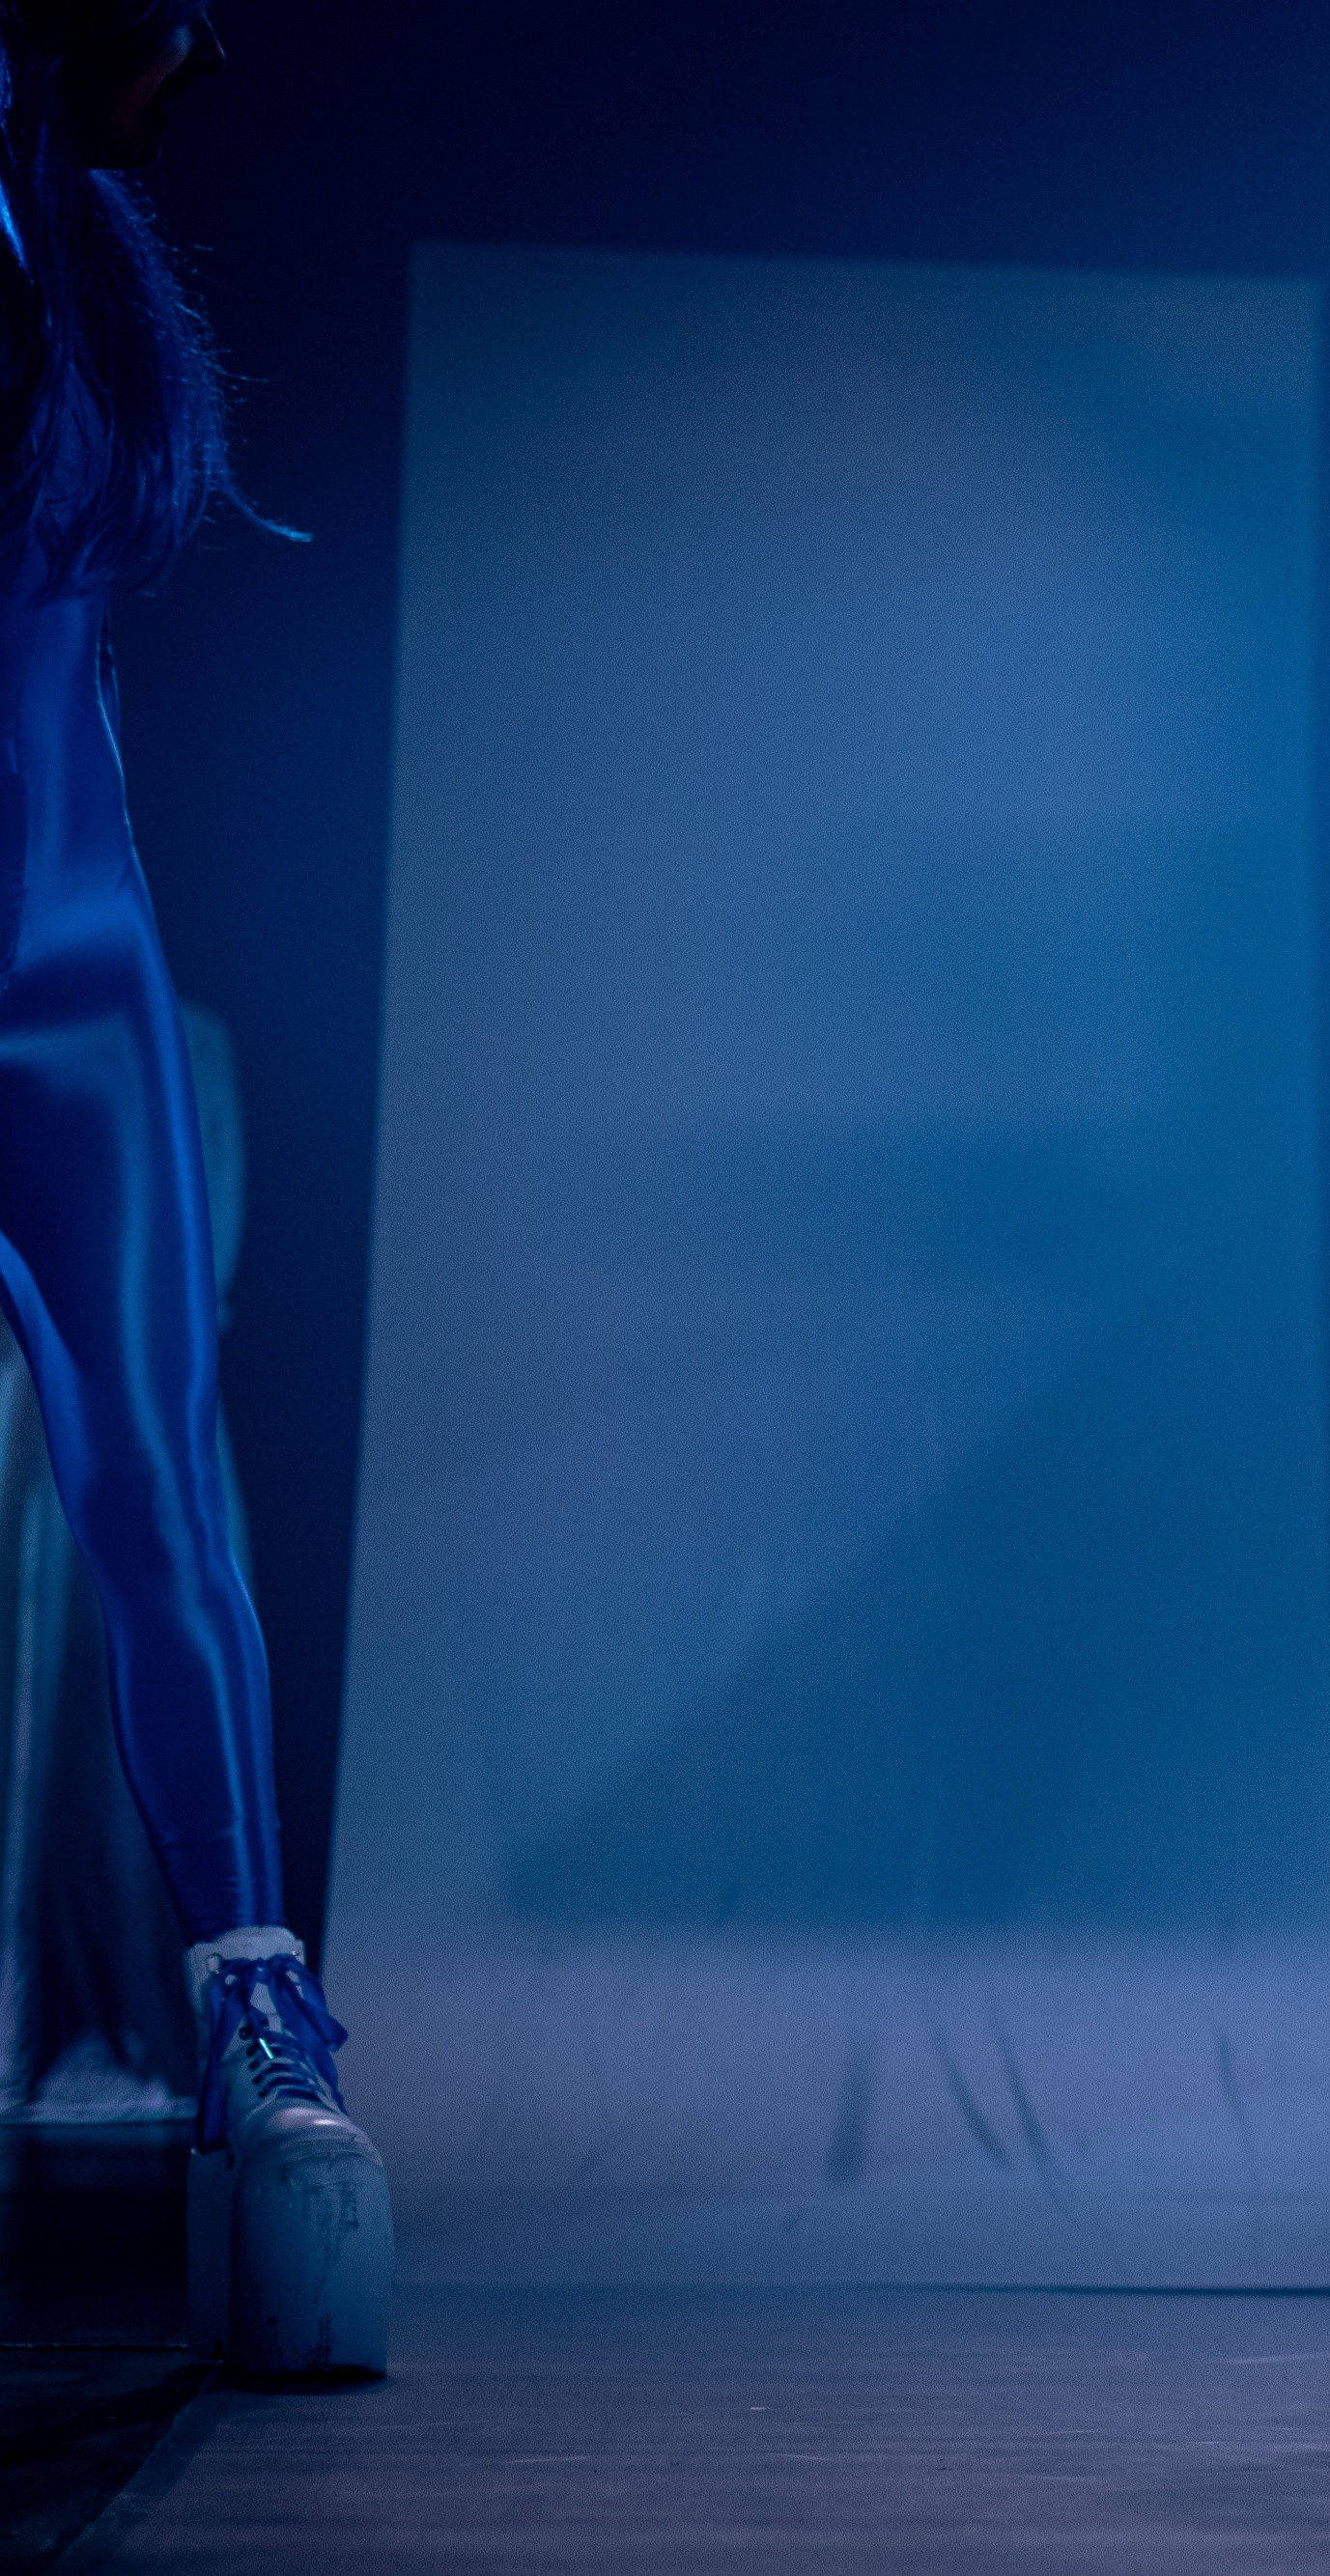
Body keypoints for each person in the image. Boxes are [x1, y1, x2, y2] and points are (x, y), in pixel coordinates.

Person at [0, 2, 386, 2374]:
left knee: (158, 1484)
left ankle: (258, 2012)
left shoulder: (72, 261)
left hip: (69, 974)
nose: (201, 47)